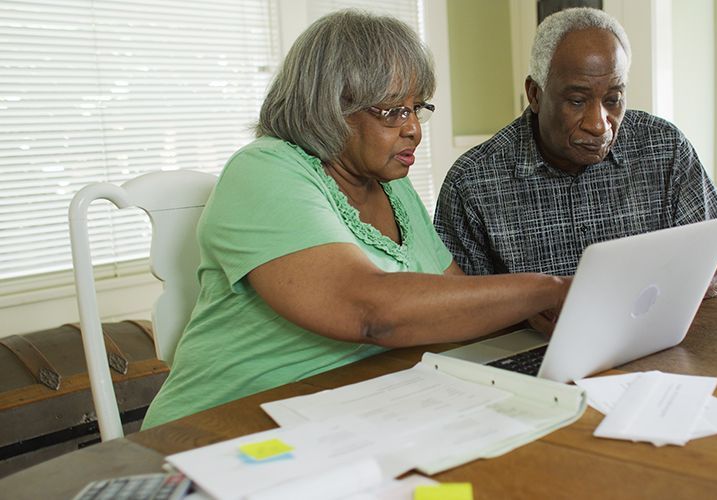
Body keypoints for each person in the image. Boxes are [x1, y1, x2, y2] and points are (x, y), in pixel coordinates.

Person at [142, 10, 569, 429]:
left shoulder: (391, 184)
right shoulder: (264, 170)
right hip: (219, 433)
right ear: (329, 109)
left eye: (416, 108)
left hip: (345, 418)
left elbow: (450, 302)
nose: (415, 130)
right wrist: (544, 291)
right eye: (393, 111)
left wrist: (523, 315)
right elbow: (369, 309)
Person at [434, 7, 717, 300]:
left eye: (613, 99)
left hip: (656, 347)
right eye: (576, 101)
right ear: (535, 94)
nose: (599, 125)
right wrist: (529, 307)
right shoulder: (473, 183)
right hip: (533, 355)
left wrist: (666, 296)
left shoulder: (663, 147)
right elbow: (456, 308)